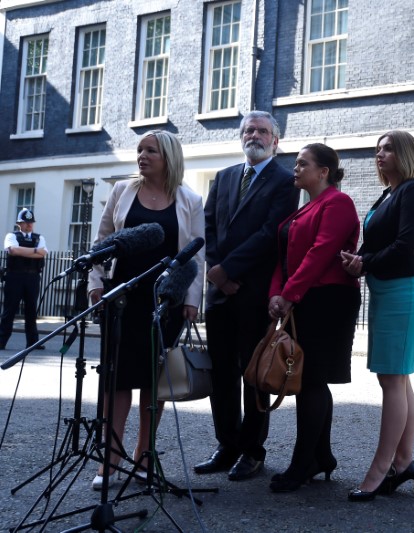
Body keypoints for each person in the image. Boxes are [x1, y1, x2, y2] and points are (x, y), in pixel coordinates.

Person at [87, 130, 205, 490]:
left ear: (168, 157)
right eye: (139, 150)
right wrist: (94, 283)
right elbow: (101, 243)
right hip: (121, 299)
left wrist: (191, 299)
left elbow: (196, 253)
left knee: (154, 383)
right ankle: (111, 458)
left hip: (163, 303)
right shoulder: (122, 192)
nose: (142, 155)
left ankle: (143, 457)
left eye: (150, 150)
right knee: (116, 379)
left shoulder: (189, 199)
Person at [197, 110, 299, 482]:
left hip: (255, 293)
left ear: (275, 140)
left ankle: (252, 451)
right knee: (220, 372)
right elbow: (207, 226)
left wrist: (230, 270)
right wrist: (217, 272)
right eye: (248, 130)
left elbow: (271, 233)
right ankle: (227, 444)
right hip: (221, 293)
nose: (253, 135)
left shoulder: (287, 181)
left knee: (255, 373)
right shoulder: (223, 178)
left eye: (262, 131)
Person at [341, 130, 414, 501]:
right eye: (377, 149)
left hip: (404, 290)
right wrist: (356, 259)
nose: (380, 154)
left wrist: (365, 262)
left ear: (405, 154)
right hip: (386, 289)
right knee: (397, 378)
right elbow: (378, 241)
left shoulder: (413, 191)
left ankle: (380, 468)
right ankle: (403, 462)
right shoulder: (388, 194)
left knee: (392, 378)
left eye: (389, 148)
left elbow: (406, 245)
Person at [267, 143, 361, 493]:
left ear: (323, 172)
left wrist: (289, 294)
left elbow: (321, 253)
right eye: (295, 164)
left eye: (302, 164)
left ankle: (303, 463)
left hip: (329, 299)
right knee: (311, 380)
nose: (295, 169)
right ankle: (320, 456)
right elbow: (284, 257)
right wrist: (276, 293)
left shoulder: (338, 202)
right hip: (304, 296)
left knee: (310, 380)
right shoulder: (303, 209)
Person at [0, 209, 47, 351]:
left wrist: (24, 251)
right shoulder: (11, 236)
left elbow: (43, 253)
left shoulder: (39, 238)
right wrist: (34, 251)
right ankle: (1, 340)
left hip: (32, 277)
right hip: (15, 276)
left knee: (31, 310)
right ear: (19, 223)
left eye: (31, 222)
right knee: (9, 310)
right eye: (26, 222)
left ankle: (32, 342)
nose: (29, 225)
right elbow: (13, 251)